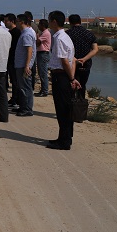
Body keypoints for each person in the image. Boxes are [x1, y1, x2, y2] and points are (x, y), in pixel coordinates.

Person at [47, 10, 82, 149]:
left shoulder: (60, 38)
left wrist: (71, 78)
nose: (48, 23)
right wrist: (72, 78)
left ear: (54, 21)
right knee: (64, 109)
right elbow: (72, 60)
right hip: (64, 76)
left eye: (49, 20)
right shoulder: (64, 37)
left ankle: (65, 141)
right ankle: (63, 137)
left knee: (63, 110)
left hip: (61, 76)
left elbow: (65, 61)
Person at [66, 14, 99, 99]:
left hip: (70, 64)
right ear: (80, 21)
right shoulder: (89, 34)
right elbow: (95, 49)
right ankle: (81, 103)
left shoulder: (67, 34)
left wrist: (74, 59)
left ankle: (71, 104)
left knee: (71, 85)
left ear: (70, 22)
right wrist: (84, 59)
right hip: (85, 64)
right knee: (82, 85)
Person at [13, 14, 36, 116]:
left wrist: (27, 65)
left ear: (21, 22)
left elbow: (29, 51)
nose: (16, 23)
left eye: (17, 21)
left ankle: (27, 109)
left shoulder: (27, 34)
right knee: (22, 87)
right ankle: (23, 106)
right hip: (21, 64)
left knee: (25, 87)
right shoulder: (25, 33)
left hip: (23, 65)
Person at [5, 13, 21, 107]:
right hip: (10, 58)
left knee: (15, 81)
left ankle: (16, 99)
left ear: (12, 21)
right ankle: (14, 98)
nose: (5, 22)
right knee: (13, 80)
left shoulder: (17, 32)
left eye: (6, 21)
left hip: (15, 59)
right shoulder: (9, 32)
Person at [35, 19, 51, 97]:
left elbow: (37, 42)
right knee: (41, 73)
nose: (38, 26)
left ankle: (44, 91)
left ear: (43, 25)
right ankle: (43, 90)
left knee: (43, 73)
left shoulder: (46, 33)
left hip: (43, 53)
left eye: (39, 25)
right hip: (41, 53)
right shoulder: (44, 33)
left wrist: (37, 36)